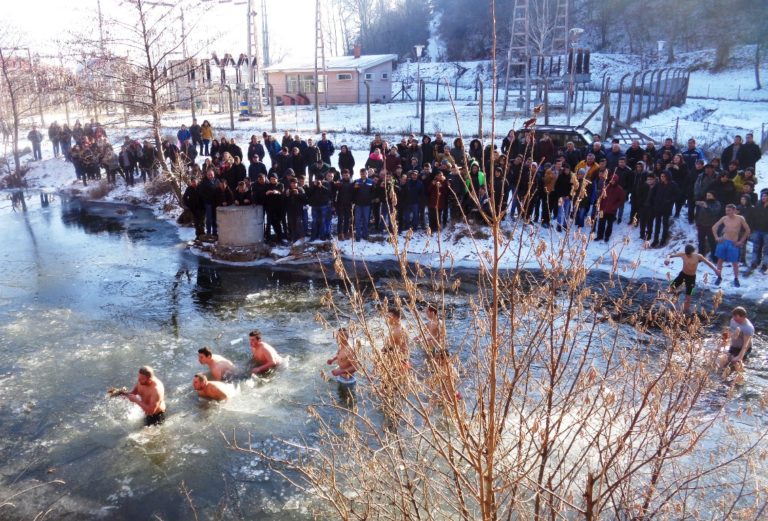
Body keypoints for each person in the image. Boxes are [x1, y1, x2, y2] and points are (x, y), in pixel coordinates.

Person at [664, 244, 720, 314]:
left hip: (691, 278)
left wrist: (716, 270)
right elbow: (669, 255)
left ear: (693, 252)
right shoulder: (683, 254)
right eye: (687, 254)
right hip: (682, 275)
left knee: (688, 297)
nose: (688, 256)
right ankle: (672, 303)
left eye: (689, 255)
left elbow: (708, 263)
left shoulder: (698, 256)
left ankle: (685, 312)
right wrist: (667, 259)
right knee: (670, 288)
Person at [712, 204, 751, 287]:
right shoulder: (724, 218)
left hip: (733, 242)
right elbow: (714, 227)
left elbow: (748, 230)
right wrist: (716, 237)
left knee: (734, 262)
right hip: (724, 241)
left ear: (734, 210)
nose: (727, 212)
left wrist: (741, 241)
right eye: (726, 210)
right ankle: (719, 277)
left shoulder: (740, 218)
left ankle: (736, 279)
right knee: (720, 260)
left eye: (729, 210)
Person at [718, 307, 754, 376]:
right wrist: (723, 343)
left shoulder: (748, 327)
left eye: (737, 319)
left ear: (743, 317)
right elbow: (730, 332)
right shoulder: (733, 320)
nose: (735, 320)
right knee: (725, 362)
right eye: (734, 318)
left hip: (743, 348)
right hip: (734, 345)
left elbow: (745, 345)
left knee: (737, 366)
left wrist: (739, 357)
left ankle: (738, 382)